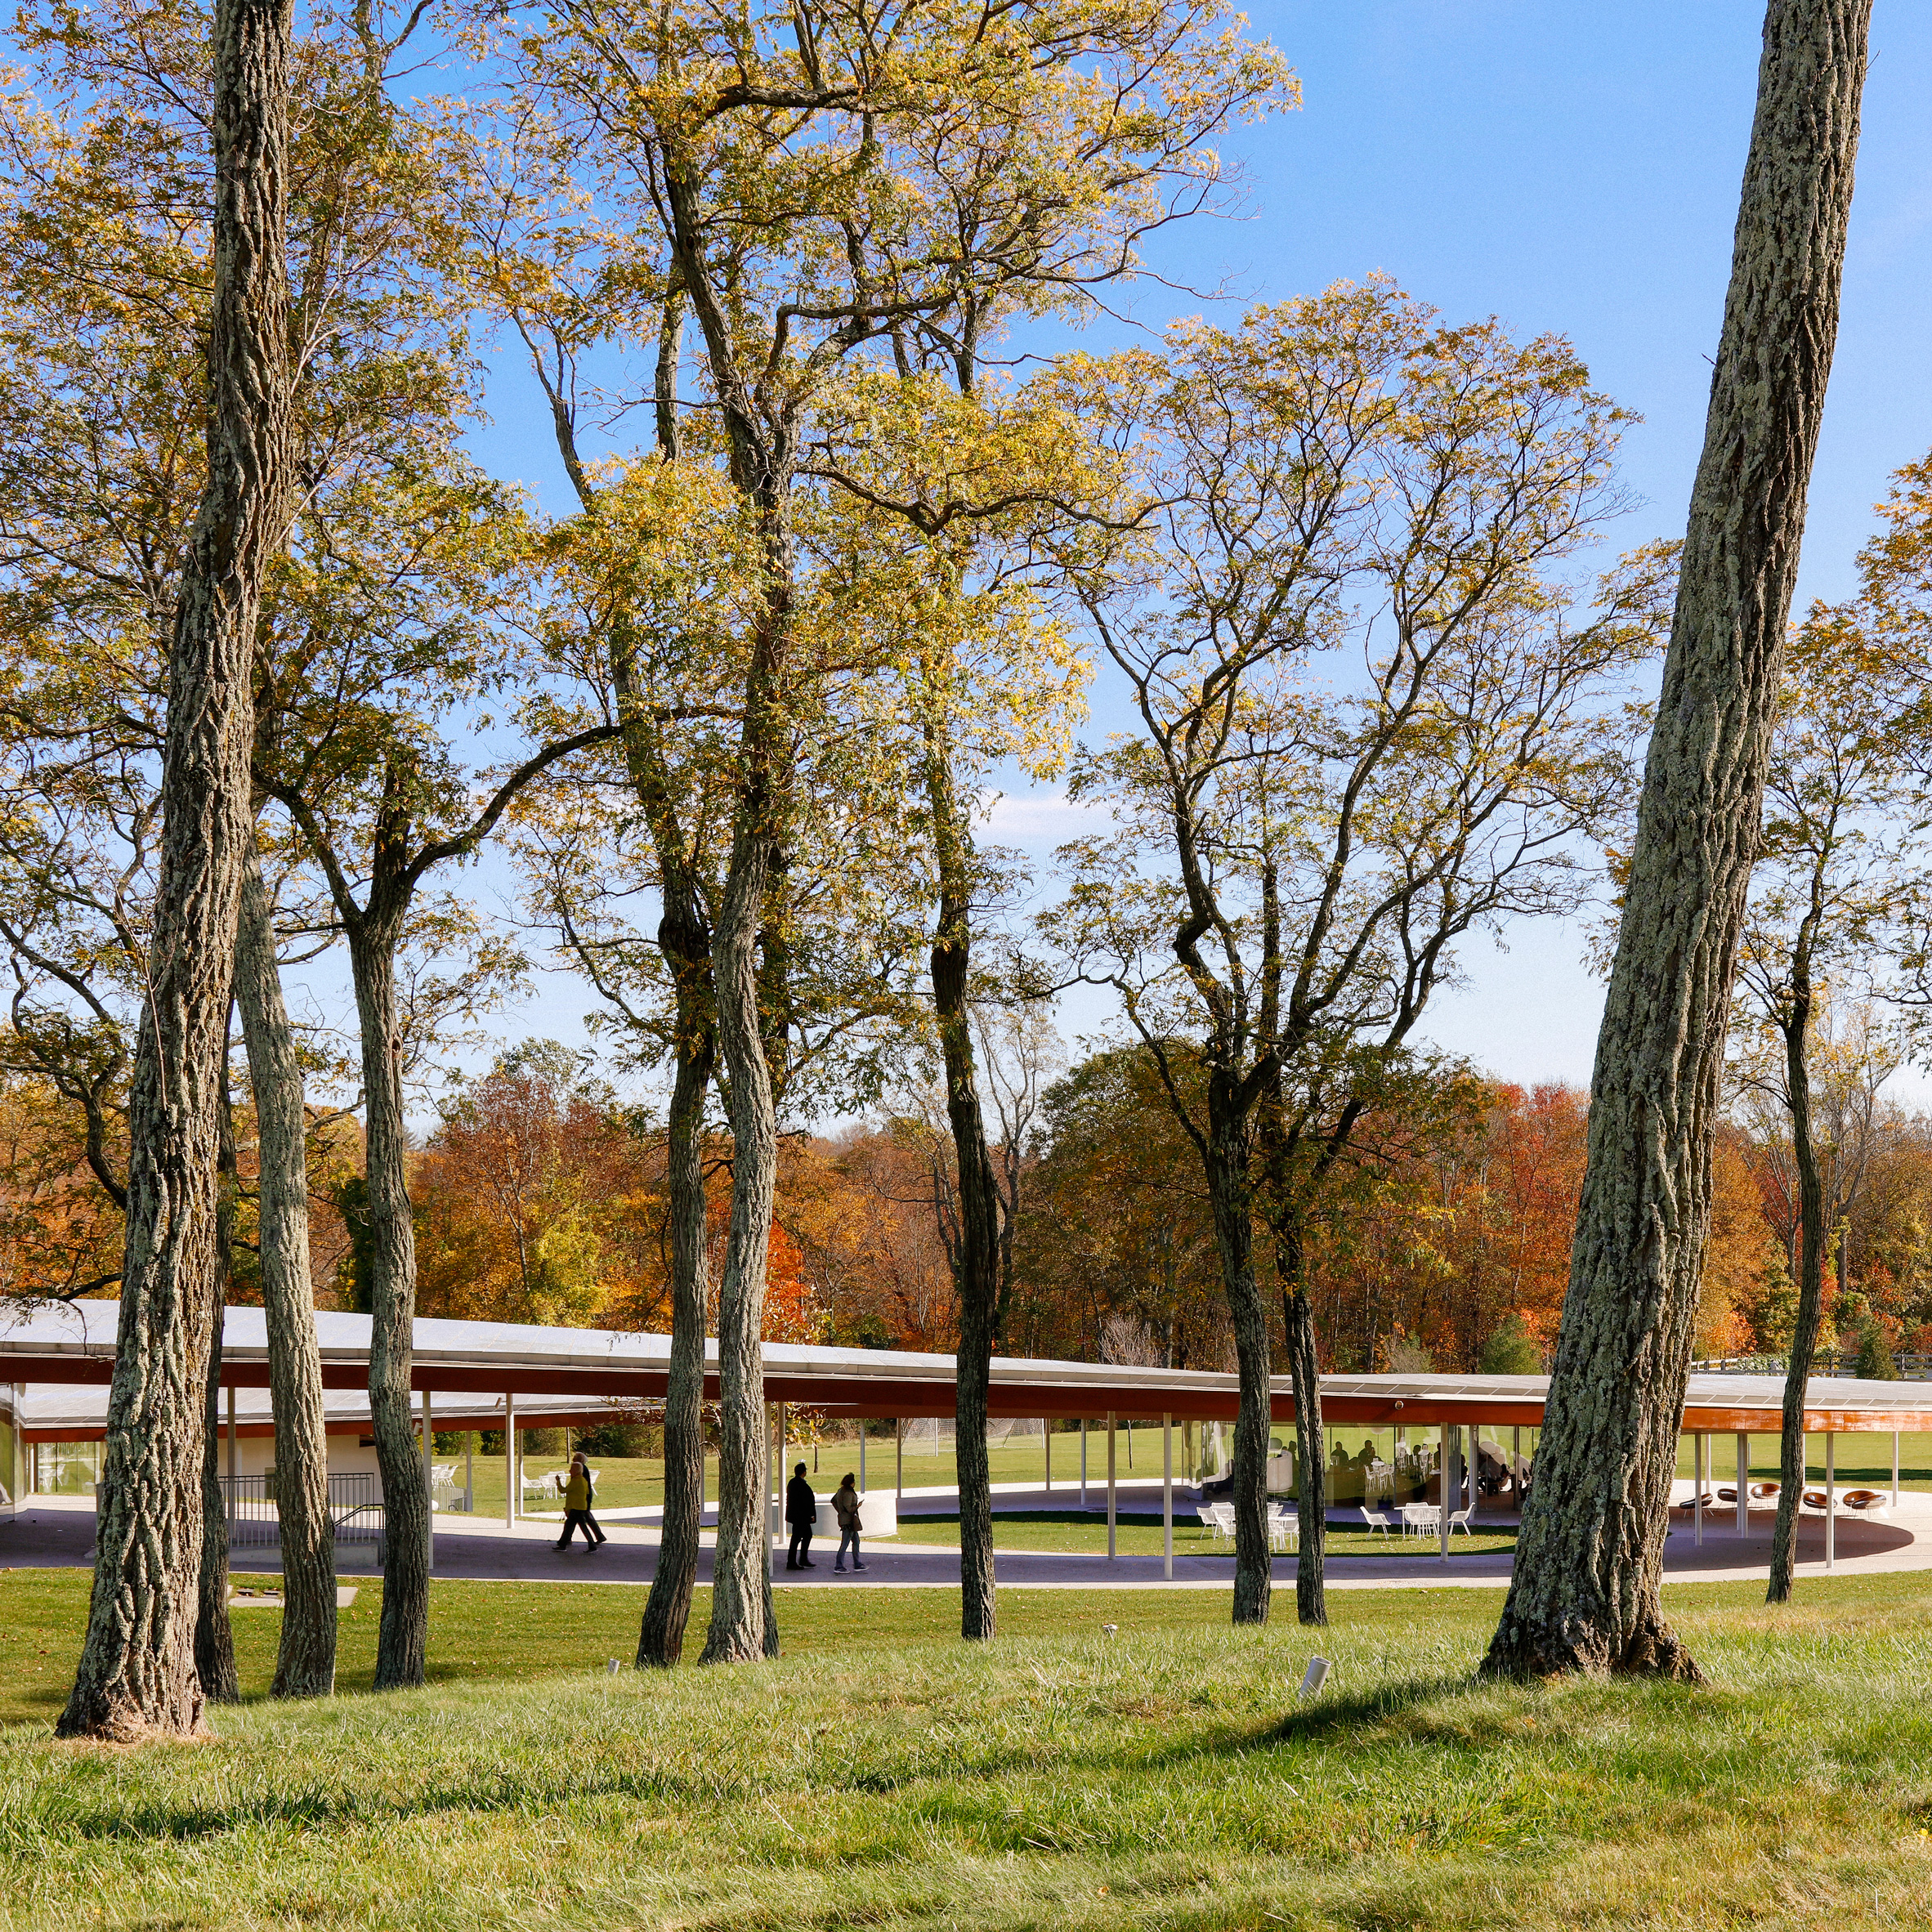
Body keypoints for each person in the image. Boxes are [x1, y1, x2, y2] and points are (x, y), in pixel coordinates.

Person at [554, 1451, 606, 1551]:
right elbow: (586, 1490)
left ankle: (564, 1544)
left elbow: (564, 1490)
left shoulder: (577, 1479)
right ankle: (564, 1543)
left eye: (571, 1469)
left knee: (578, 1524)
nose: (570, 1471)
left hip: (576, 1507)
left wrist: (558, 1481)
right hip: (581, 1504)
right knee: (575, 1524)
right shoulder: (583, 1479)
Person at [785, 1460, 817, 1570]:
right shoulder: (801, 1485)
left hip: (796, 1516)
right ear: (803, 1472)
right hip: (802, 1517)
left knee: (803, 1536)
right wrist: (811, 1515)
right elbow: (806, 1502)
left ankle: (801, 1559)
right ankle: (793, 1561)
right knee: (798, 1538)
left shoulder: (792, 1483)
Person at [831, 1472, 865, 1572]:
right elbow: (849, 1508)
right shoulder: (848, 1493)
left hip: (845, 1519)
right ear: (851, 1483)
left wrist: (839, 1511)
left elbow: (833, 1501)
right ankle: (839, 1566)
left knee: (856, 1541)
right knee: (845, 1544)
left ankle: (857, 1563)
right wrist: (857, 1506)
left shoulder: (840, 1491)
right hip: (849, 1521)